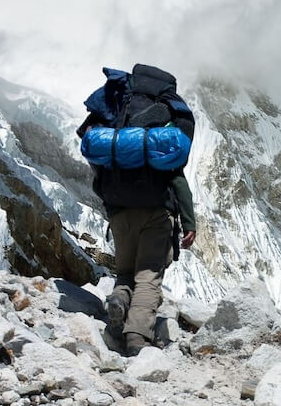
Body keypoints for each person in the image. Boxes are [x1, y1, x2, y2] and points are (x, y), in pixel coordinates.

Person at [77, 64, 197, 356]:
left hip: (120, 214)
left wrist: (112, 206)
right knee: (148, 277)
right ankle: (137, 339)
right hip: (156, 215)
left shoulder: (118, 119)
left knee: (126, 273)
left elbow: (100, 173)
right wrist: (189, 220)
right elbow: (177, 179)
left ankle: (118, 299)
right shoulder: (163, 127)